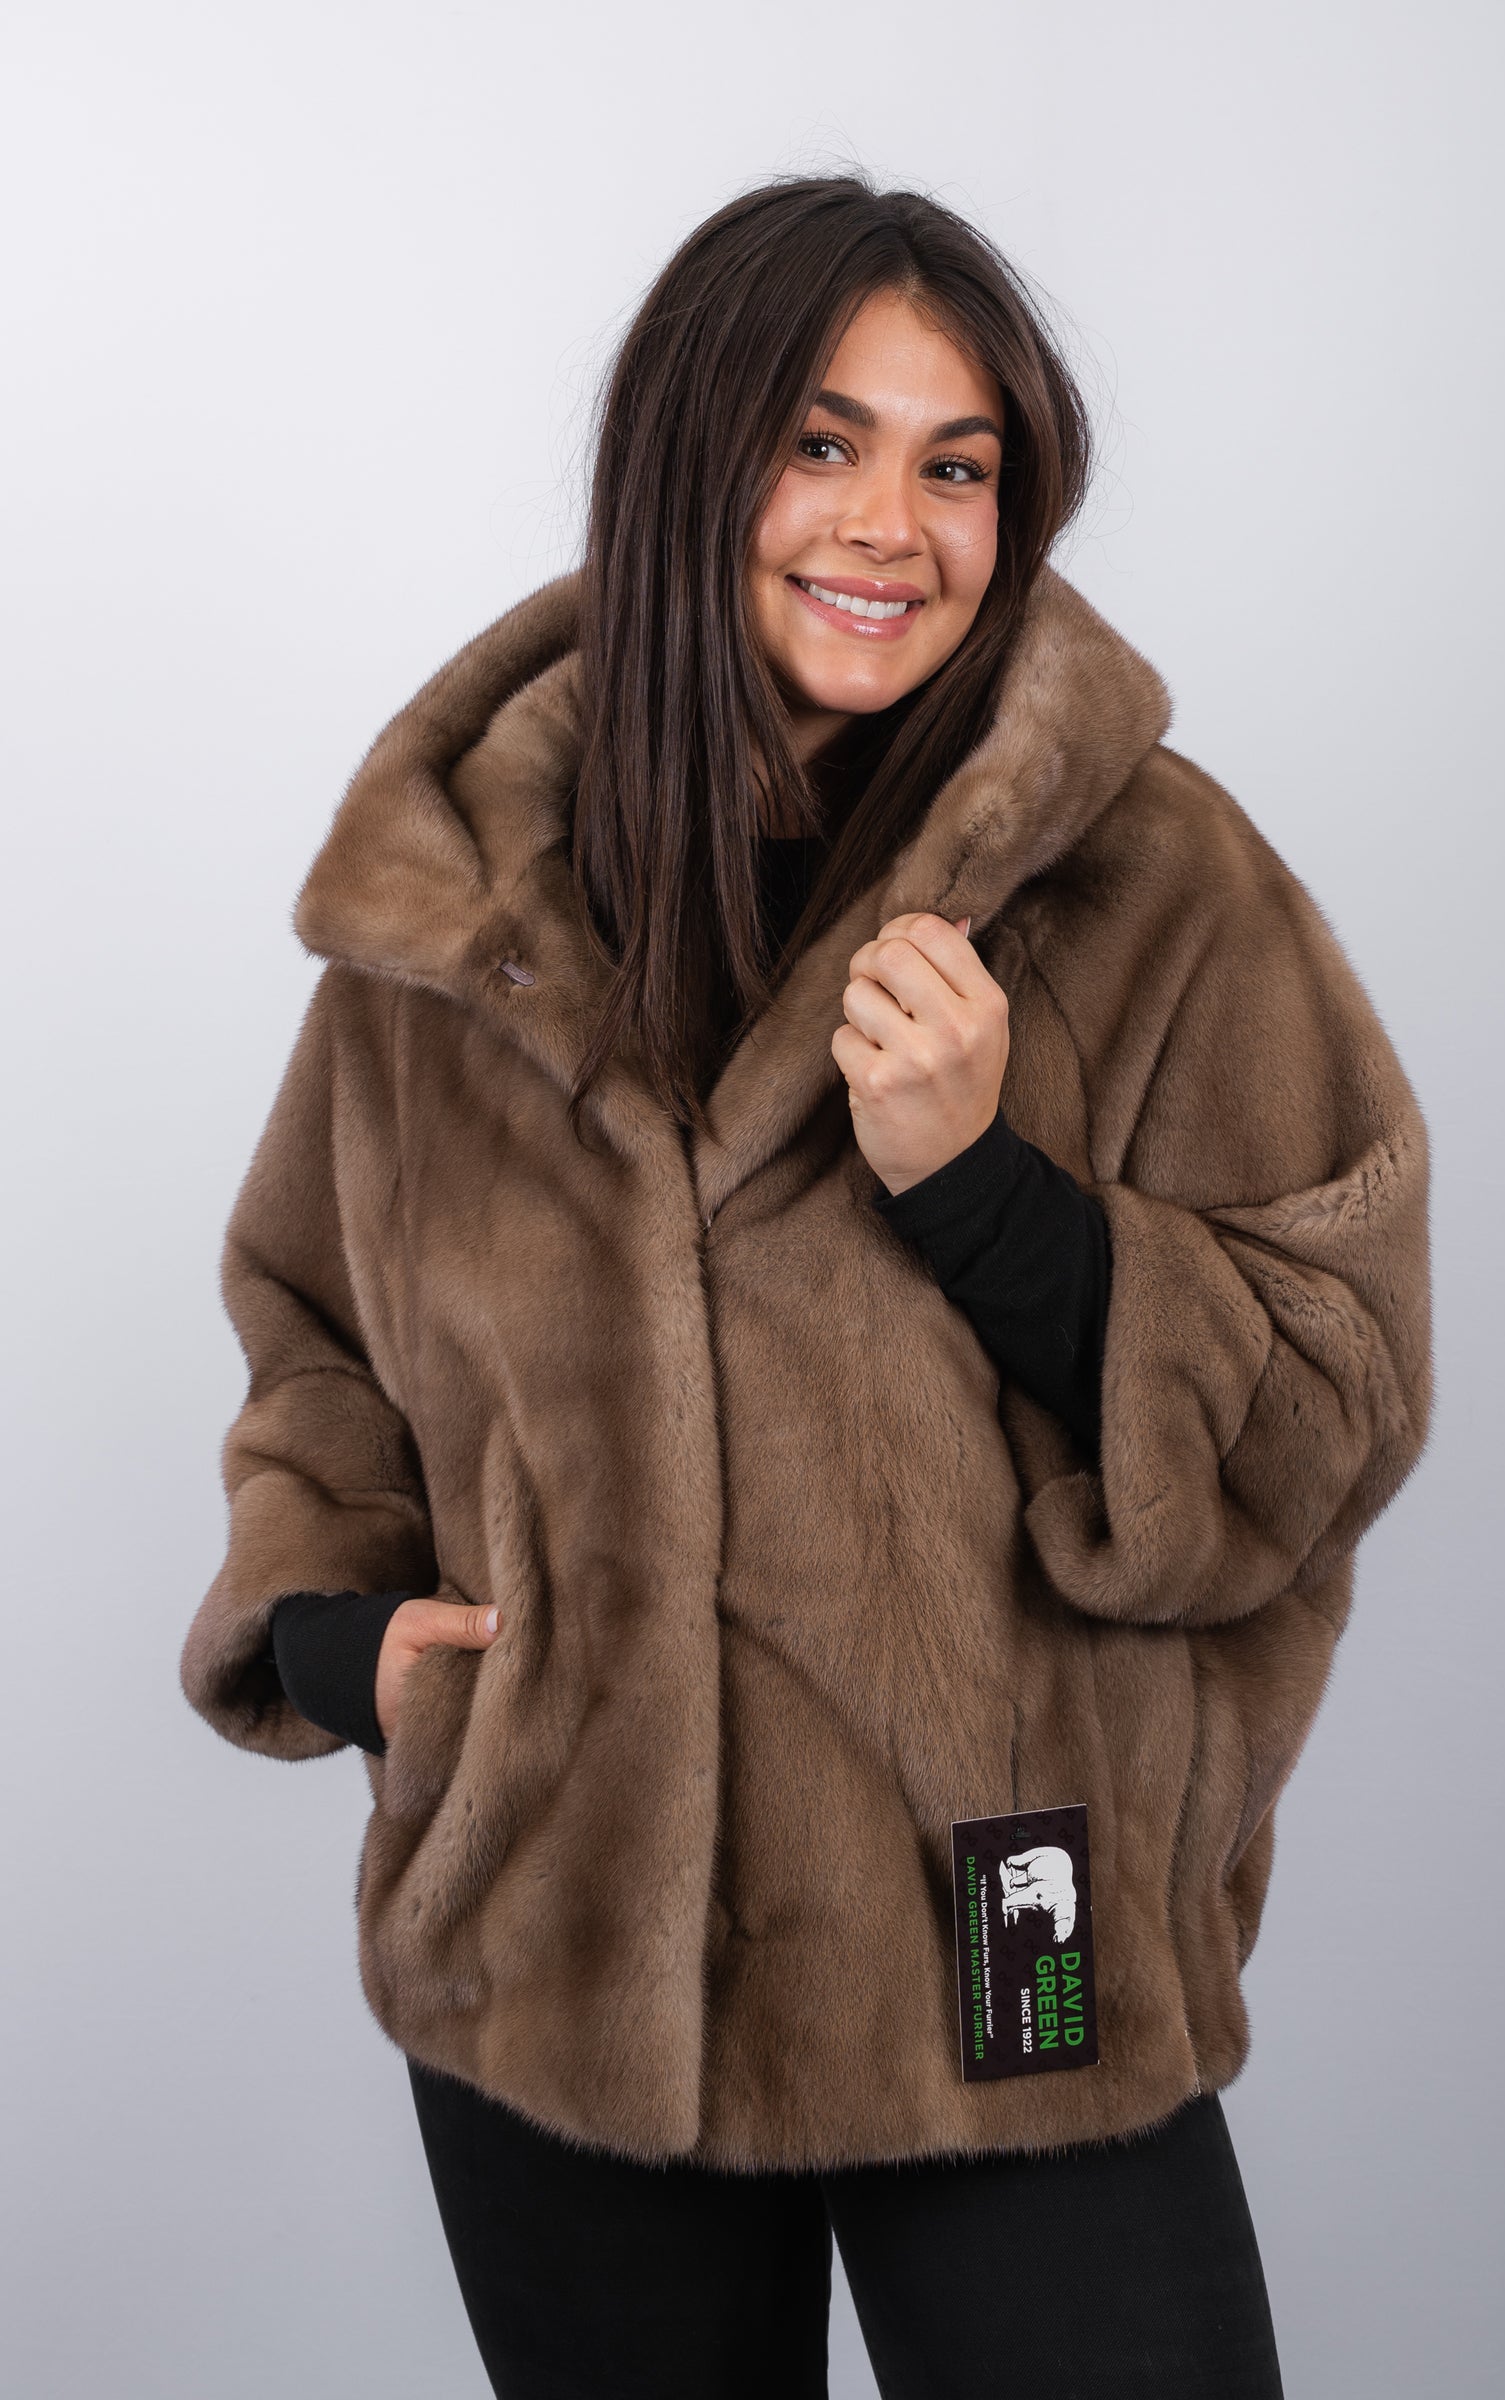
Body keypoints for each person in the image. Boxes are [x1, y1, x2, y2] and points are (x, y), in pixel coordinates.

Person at [179, 174, 1433, 2397]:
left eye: (957, 467)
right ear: (691, 462)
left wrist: (985, 1188)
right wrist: (332, 1635)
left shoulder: (1153, 886)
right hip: (566, 1944)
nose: (888, 526)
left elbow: (1329, 1400)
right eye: (821, 443)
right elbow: (320, 1331)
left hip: (1004, 1927)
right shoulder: (467, 911)